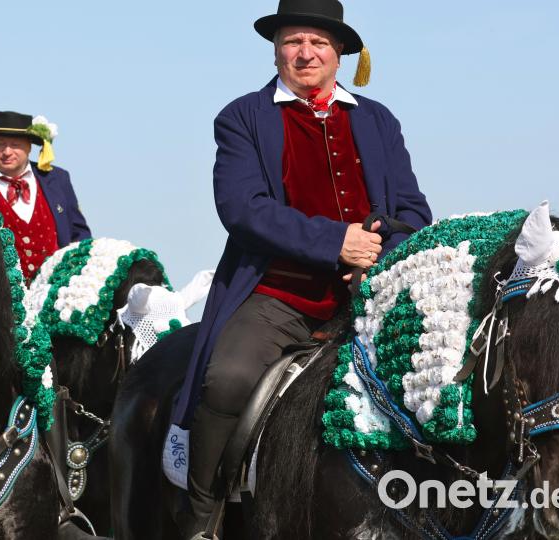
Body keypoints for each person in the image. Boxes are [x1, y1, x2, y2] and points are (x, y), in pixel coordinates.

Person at [171, 0, 433, 537]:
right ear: (276, 51)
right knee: (228, 379)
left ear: (340, 54)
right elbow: (243, 209)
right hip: (280, 295)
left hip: (372, 298)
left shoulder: (378, 120)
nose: (306, 52)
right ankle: (201, 516)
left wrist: (376, 256)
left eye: (318, 42)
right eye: (294, 41)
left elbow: (413, 213)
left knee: (438, 377)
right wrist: (338, 241)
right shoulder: (243, 116)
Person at [0, 111, 90, 281]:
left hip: (54, 291)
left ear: (29, 146)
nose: (7, 151)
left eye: (15, 144)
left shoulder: (58, 179)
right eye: (0, 144)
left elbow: (79, 235)